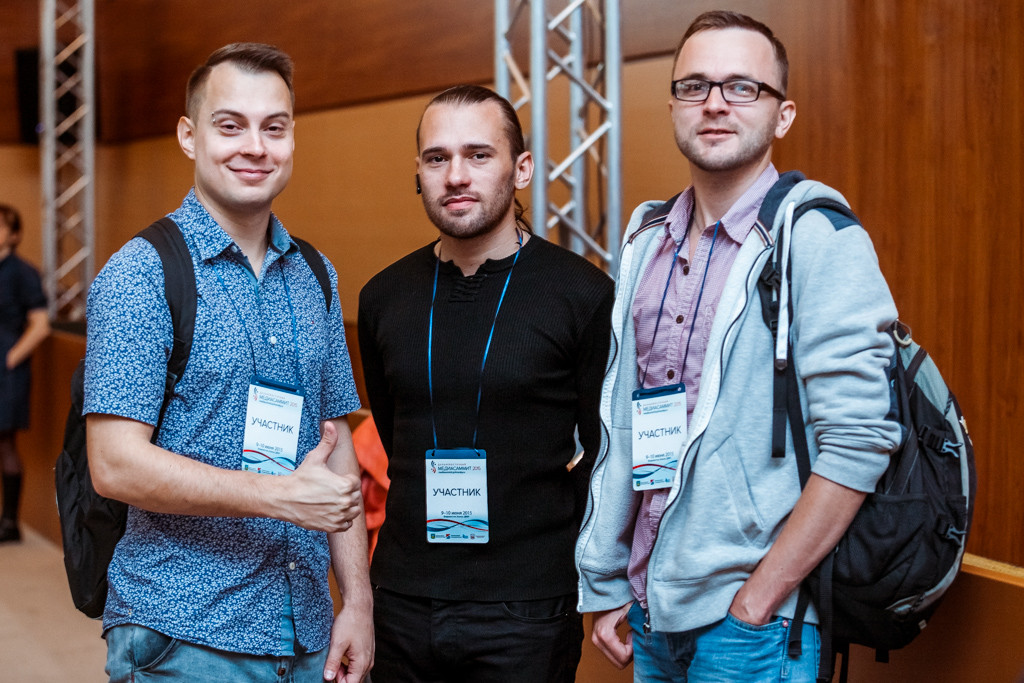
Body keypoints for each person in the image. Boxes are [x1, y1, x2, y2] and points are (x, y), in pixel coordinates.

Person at [576, 11, 901, 682]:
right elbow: (627, 425)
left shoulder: (816, 238)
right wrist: (607, 579)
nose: (715, 103)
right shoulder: (645, 242)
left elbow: (861, 438)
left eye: (742, 87)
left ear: (783, 115)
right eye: (694, 86)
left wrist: (756, 602)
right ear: (673, 105)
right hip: (650, 610)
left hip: (754, 625)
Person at [84, 43, 372, 683]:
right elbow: (114, 463)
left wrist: (357, 599)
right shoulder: (141, 273)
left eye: (274, 127)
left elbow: (336, 439)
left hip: (307, 633)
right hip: (183, 636)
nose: (256, 147)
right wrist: (279, 498)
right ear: (189, 136)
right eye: (231, 125)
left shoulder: (315, 275)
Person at [358, 84, 614, 683]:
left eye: (478, 155)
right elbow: (394, 436)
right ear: (418, 173)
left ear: (521, 169)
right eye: (437, 158)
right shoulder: (383, 297)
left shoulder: (582, 294)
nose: (455, 175)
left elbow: (605, 451)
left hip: (526, 607)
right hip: (401, 598)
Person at [0, 204, 50, 543]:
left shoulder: (23, 273)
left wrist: (10, 358)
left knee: (5, 442)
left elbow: (41, 325)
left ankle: (10, 523)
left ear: (14, 234)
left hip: (7, 371)